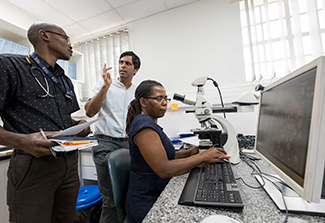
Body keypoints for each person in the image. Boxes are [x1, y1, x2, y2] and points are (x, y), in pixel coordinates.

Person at [0, 22, 90, 223]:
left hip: (68, 164)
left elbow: (67, 119)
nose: (70, 45)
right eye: (66, 38)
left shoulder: (64, 78)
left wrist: (80, 127)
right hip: (34, 165)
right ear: (44, 35)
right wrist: (22, 141)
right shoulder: (9, 66)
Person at [125, 80, 230, 223]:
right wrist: (203, 157)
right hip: (147, 201)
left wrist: (190, 153)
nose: (164, 103)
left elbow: (165, 155)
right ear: (143, 102)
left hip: (156, 192)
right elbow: (164, 169)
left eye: (165, 98)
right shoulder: (144, 127)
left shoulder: (149, 122)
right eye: (158, 98)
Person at [84, 51, 141, 223]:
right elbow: (89, 111)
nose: (122, 65)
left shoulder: (137, 93)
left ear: (136, 70)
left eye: (128, 63)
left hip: (128, 145)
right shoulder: (104, 84)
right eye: (121, 62)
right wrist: (105, 86)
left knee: (128, 194)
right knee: (109, 199)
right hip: (104, 143)